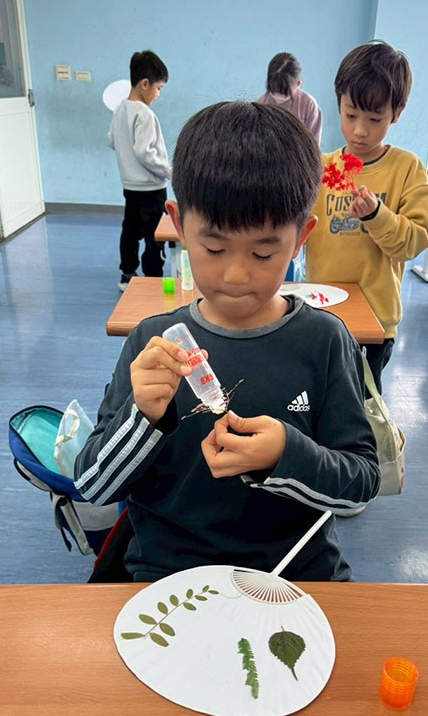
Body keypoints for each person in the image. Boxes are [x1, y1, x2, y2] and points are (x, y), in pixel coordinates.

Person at [76, 101, 380, 583]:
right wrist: (144, 418)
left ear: (301, 237)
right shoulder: (151, 342)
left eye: (263, 252)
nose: (237, 275)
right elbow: (93, 486)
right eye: (214, 248)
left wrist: (287, 455)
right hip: (171, 576)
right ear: (179, 225)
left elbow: (361, 485)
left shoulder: (323, 340)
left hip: (294, 573)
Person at [305, 40, 428, 393]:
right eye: (350, 115)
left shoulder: (406, 168)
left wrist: (377, 215)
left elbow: (414, 242)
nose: (360, 130)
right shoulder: (323, 168)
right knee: (318, 398)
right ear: (339, 104)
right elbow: (295, 228)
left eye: (375, 119)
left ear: (398, 113)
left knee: (363, 403)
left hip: (374, 320)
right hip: (322, 315)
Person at [109, 49, 171, 292]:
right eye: (159, 88)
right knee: (155, 237)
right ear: (145, 84)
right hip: (152, 188)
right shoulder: (144, 114)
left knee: (130, 231)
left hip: (130, 186)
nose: (158, 94)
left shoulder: (120, 109)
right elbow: (145, 152)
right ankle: (153, 281)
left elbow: (111, 140)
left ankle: (127, 276)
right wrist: (168, 171)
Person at [256, 52, 322, 145]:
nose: (279, 97)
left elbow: (314, 145)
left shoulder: (309, 105)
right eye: (274, 90)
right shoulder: (260, 107)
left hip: (301, 153)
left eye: (285, 93)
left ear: (298, 84)